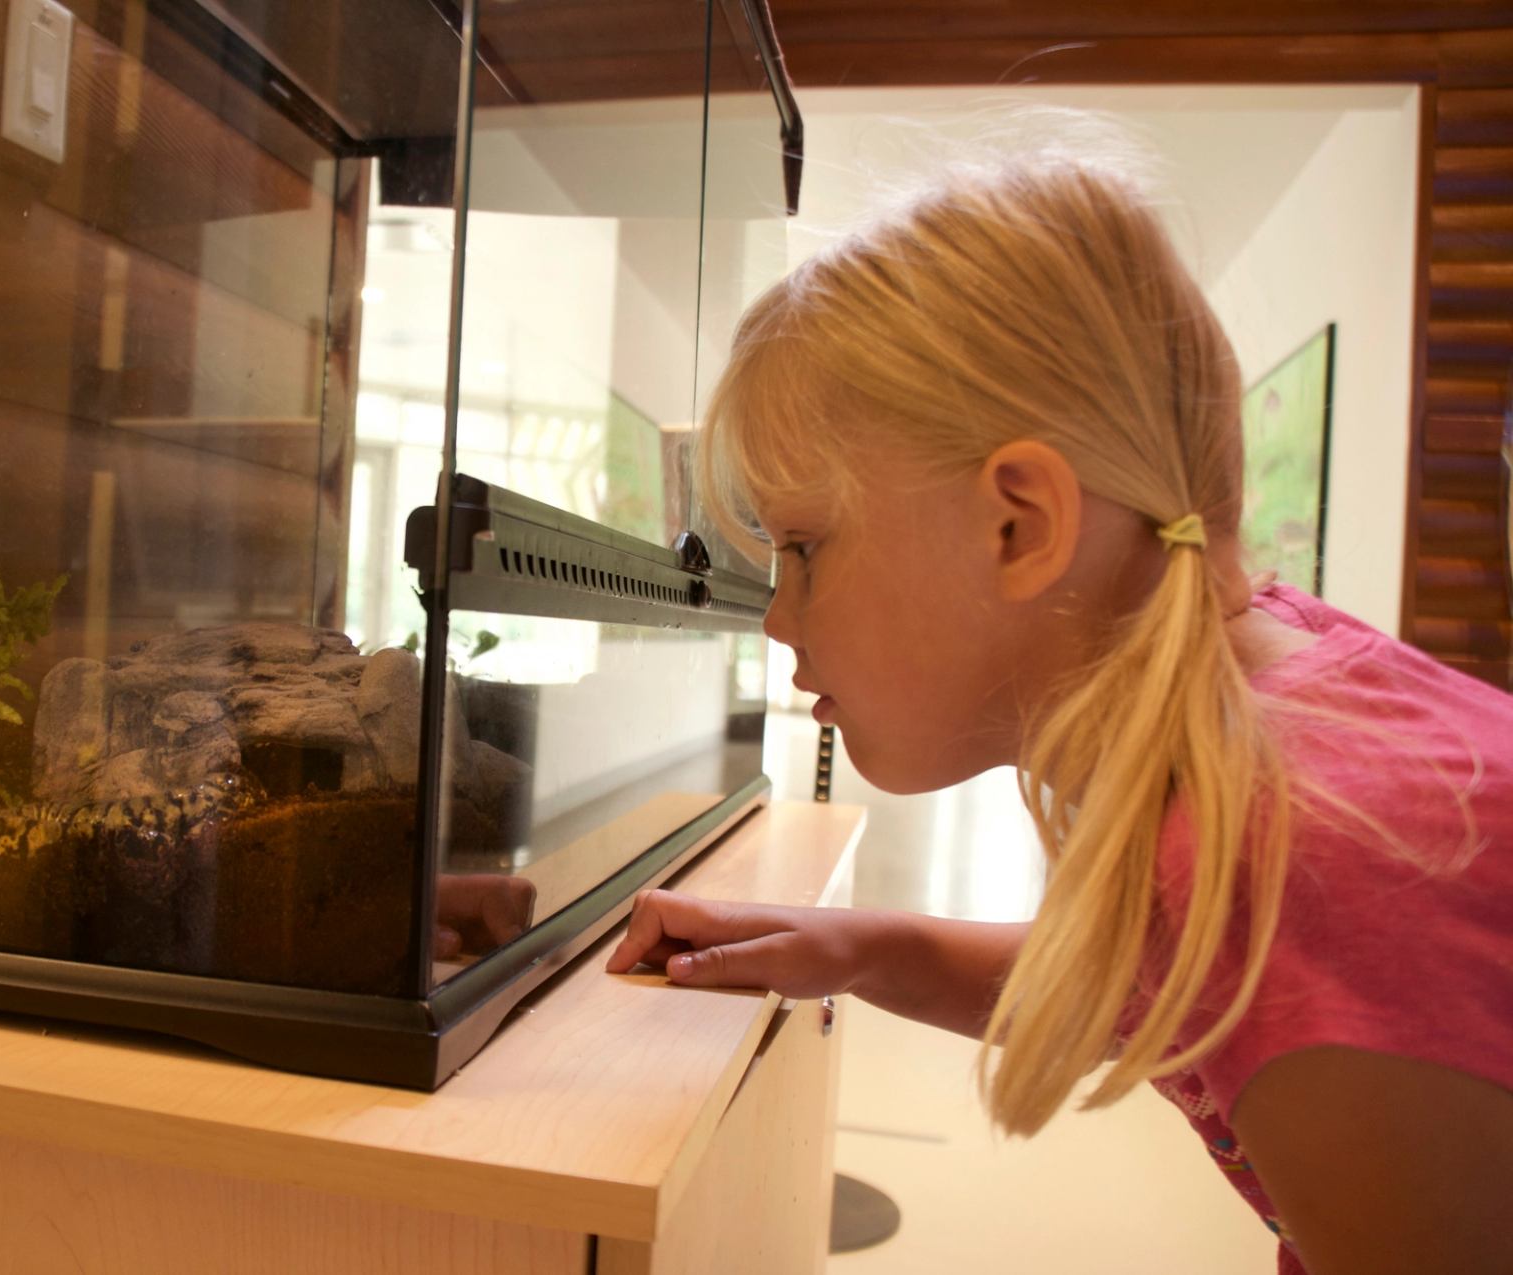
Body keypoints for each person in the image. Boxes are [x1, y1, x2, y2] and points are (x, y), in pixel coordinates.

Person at [604, 139, 1513, 1275]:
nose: (779, 620)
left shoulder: (1307, 859)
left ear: (1020, 526)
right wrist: (861, 948)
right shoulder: (1280, 679)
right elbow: (1147, 982)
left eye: (803, 549)